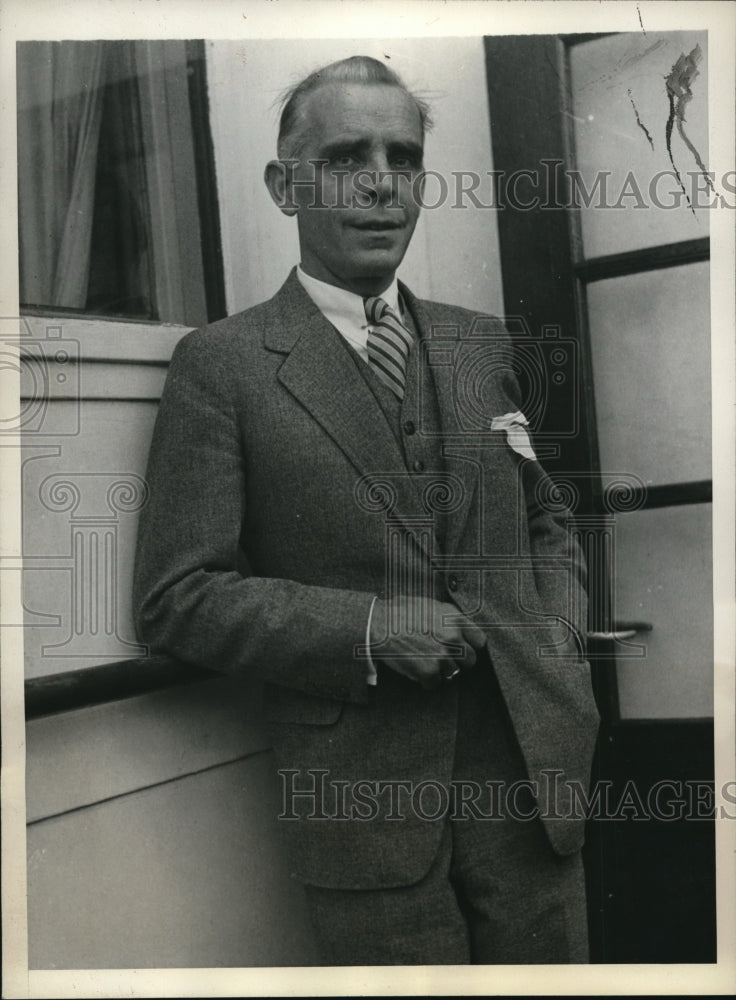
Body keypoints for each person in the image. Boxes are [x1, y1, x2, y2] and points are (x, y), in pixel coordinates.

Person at [133, 55, 600, 966]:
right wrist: (371, 629)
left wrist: (557, 645)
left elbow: (543, 517)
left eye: (404, 157)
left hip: (533, 779)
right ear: (284, 184)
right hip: (366, 806)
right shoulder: (222, 365)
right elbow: (176, 595)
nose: (382, 184)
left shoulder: (479, 341)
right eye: (348, 156)